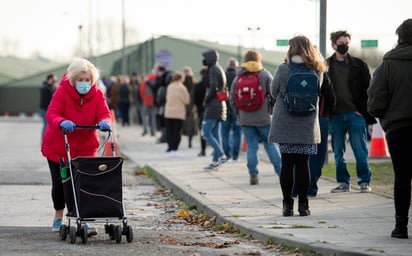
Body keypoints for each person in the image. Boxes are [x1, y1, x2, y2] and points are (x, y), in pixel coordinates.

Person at [41, 57, 111, 235]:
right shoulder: (62, 92)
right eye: (81, 80)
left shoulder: (97, 94)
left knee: (85, 184)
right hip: (59, 147)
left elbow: (103, 112)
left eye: (87, 80)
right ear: (73, 79)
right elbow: (52, 113)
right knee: (60, 185)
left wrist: (104, 121)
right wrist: (61, 121)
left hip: (86, 147)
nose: (84, 83)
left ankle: (85, 218)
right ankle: (59, 215)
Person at [269, 35, 327, 216]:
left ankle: (287, 205)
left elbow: (273, 91)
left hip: (285, 123)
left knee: (287, 163)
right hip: (307, 124)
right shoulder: (317, 70)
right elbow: (318, 90)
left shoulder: (283, 68)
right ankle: (304, 205)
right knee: (303, 163)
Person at [367, 18, 412, 239]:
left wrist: (387, 120)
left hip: (398, 128)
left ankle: (401, 227)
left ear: (399, 38)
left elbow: (374, 102)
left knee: (402, 176)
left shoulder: (387, 64)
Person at [326, 30, 376, 193]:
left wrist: (362, 110)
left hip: (355, 115)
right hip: (336, 116)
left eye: (346, 43)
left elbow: (369, 89)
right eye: (341, 44)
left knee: (360, 150)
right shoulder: (326, 66)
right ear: (334, 45)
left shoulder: (359, 65)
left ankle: (364, 181)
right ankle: (343, 182)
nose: (344, 46)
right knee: (338, 151)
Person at [229, 50, 281, 185]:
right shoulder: (264, 74)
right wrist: (270, 109)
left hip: (245, 118)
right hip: (264, 117)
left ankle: (253, 174)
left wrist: (239, 112)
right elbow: (274, 93)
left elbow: (232, 99)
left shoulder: (238, 77)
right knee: (270, 145)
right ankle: (281, 172)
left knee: (251, 146)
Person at [293, 72, 336, 197]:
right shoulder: (321, 73)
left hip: (297, 117)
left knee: (297, 153)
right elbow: (331, 98)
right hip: (320, 117)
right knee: (317, 155)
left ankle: (295, 188)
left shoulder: (293, 71)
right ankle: (311, 187)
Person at [201, 49, 228, 170]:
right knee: (216, 134)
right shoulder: (219, 68)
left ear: (210, 59)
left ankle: (221, 155)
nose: (204, 60)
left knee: (205, 132)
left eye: (205, 58)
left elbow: (213, 87)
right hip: (220, 105)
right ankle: (215, 161)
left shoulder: (212, 70)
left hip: (213, 106)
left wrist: (206, 100)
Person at [164, 71, 190, 155]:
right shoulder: (182, 88)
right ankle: (175, 148)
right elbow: (186, 101)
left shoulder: (169, 86)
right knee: (177, 132)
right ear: (181, 78)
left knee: (170, 131)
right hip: (178, 113)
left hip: (168, 112)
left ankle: (170, 146)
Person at [222, 58, 242, 162]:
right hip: (237, 108)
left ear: (227, 66)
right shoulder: (239, 77)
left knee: (224, 132)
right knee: (237, 133)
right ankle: (235, 156)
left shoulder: (223, 75)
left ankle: (226, 154)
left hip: (224, 108)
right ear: (236, 66)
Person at [193, 67, 208, 157]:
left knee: (203, 131)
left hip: (201, 110)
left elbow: (195, 99)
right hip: (212, 110)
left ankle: (203, 150)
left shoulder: (198, 85)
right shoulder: (212, 85)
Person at [181, 66, 198, 149]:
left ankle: (179, 141)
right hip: (192, 107)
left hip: (182, 106)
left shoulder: (181, 84)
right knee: (191, 126)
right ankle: (189, 142)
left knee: (181, 125)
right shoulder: (194, 84)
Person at [39, 73, 57, 142]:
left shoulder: (50, 87)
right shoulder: (45, 88)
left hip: (46, 109)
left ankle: (45, 139)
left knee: (47, 124)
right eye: (54, 80)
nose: (55, 81)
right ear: (50, 79)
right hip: (44, 109)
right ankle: (44, 140)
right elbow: (48, 99)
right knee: (46, 124)